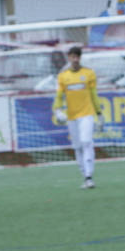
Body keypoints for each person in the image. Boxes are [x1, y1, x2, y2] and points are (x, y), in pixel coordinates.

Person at [53, 45, 100, 189]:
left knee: (86, 142)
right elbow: (59, 96)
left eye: (77, 56)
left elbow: (93, 94)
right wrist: (57, 110)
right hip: (72, 116)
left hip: (87, 113)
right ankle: (84, 175)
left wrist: (99, 113)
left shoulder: (89, 73)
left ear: (80, 58)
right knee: (77, 147)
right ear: (69, 58)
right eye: (72, 56)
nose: (75, 59)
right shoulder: (63, 76)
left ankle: (89, 176)